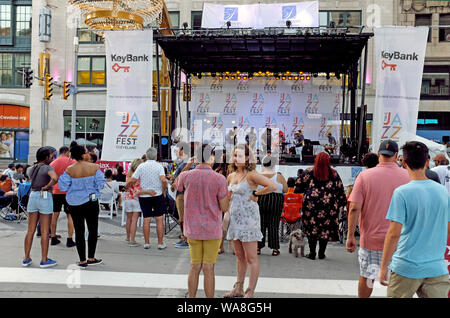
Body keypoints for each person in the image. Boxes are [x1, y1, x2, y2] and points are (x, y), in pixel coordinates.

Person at [378, 141, 450, 298]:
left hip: (406, 266)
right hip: (436, 267)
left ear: (404, 163)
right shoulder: (443, 192)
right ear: (427, 162)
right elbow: (447, 228)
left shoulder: (401, 193)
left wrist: (383, 267)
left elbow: (393, 234)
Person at [346, 140, 410, 298]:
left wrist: (350, 236)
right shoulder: (407, 176)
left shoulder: (365, 176)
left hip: (371, 240)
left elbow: (354, 208)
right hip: (400, 241)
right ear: (396, 156)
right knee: (397, 280)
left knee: (368, 277)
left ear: (379, 155)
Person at [176, 143, 229, 298]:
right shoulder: (220, 179)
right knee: (208, 268)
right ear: (211, 157)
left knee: (194, 266)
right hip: (212, 229)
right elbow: (224, 207)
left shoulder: (186, 176)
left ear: (197, 157)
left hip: (192, 228)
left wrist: (188, 166)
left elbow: (177, 186)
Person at [224, 144, 277, 298]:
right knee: (239, 256)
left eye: (240, 156)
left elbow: (272, 185)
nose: (236, 158)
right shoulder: (231, 176)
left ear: (247, 158)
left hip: (249, 221)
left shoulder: (252, 175)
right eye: (235, 155)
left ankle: (250, 291)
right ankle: (238, 288)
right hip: (235, 220)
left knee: (251, 257)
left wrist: (256, 193)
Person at [58, 142, 106, 268]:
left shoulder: (69, 170)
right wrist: (93, 189)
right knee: (92, 229)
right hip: (91, 201)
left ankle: (82, 260)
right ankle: (91, 257)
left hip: (74, 202)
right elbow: (101, 183)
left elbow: (62, 186)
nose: (87, 154)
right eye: (85, 152)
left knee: (79, 231)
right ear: (82, 155)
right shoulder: (94, 167)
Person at [295, 152, 347, 260]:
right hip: (329, 206)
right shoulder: (334, 174)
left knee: (311, 228)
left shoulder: (309, 172)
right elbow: (340, 190)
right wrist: (341, 203)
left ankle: (312, 253)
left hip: (311, 205)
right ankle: (322, 253)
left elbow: (298, 186)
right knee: (325, 229)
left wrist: (307, 191)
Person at [22, 147, 59, 268]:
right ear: (46, 157)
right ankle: (44, 260)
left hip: (33, 196)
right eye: (51, 156)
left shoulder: (30, 168)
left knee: (30, 230)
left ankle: (26, 258)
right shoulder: (48, 168)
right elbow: (55, 178)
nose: (52, 158)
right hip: (45, 196)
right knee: (44, 231)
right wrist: (47, 186)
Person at [125, 147, 167, 250]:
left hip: (144, 196)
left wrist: (127, 186)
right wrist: (164, 190)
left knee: (146, 219)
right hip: (157, 194)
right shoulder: (159, 166)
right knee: (159, 219)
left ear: (147, 156)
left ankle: (147, 242)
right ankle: (160, 243)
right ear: (156, 156)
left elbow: (133, 179)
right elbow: (163, 180)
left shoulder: (141, 166)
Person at [257, 155, 288, 256]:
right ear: (274, 165)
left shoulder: (258, 176)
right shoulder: (279, 176)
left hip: (261, 199)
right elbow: (285, 190)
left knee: (260, 224)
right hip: (275, 200)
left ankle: (258, 247)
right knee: (274, 224)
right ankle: (275, 248)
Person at [50, 146, 76, 248]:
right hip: (68, 192)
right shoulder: (72, 162)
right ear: (66, 152)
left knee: (55, 214)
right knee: (70, 215)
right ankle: (69, 239)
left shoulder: (53, 163)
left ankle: (53, 237)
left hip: (56, 191)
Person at [170, 142, 192, 249]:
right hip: (181, 193)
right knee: (182, 217)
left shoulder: (188, 163)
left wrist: (176, 180)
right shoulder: (184, 163)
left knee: (183, 217)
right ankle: (184, 237)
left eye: (178, 149)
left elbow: (184, 177)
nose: (177, 152)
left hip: (183, 193)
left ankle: (186, 239)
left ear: (183, 150)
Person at [123, 158, 144, 247]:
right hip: (137, 198)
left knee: (128, 219)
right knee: (135, 220)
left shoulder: (128, 175)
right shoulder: (140, 176)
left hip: (128, 198)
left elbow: (126, 186)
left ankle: (128, 237)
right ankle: (132, 239)